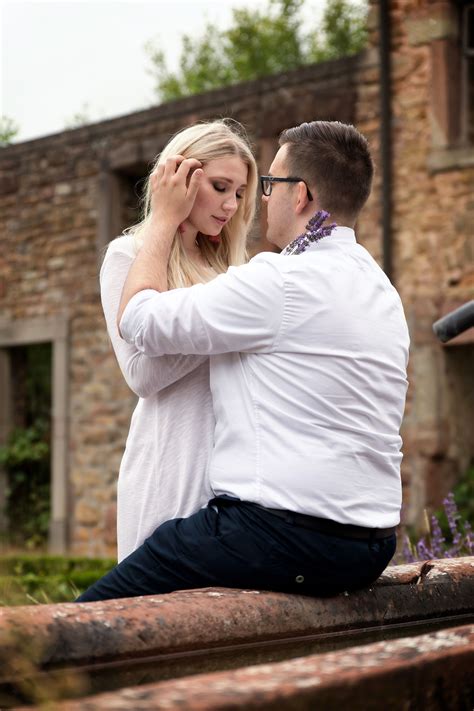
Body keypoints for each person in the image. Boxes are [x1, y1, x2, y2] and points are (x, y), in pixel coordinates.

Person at [77, 120, 409, 602]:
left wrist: (226, 323)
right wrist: (166, 226)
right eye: (220, 188)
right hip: (190, 474)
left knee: (95, 619)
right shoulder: (377, 287)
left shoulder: (266, 279)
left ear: (300, 197)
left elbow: (142, 319)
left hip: (262, 521)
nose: (242, 205)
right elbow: (143, 372)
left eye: (259, 187)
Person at [99, 120, 258, 561]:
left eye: (240, 193)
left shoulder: (232, 267)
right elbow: (141, 376)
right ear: (180, 177)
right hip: (168, 467)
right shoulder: (126, 256)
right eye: (221, 186)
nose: (231, 204)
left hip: (233, 474)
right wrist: (226, 321)